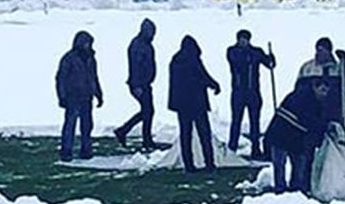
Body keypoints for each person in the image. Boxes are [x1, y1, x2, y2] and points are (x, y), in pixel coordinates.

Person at [264, 75, 331, 194]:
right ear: (315, 87)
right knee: (280, 165)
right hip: (279, 134)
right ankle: (281, 191)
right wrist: (322, 130)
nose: (324, 94)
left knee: (299, 165)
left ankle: (296, 190)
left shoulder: (317, 102)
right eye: (322, 90)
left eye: (326, 91)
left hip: (296, 138)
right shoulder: (301, 98)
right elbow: (309, 121)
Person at [167, 35, 221, 172]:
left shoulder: (176, 61)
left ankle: (189, 164)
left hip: (182, 105)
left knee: (186, 135)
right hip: (197, 104)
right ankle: (209, 162)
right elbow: (202, 76)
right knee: (204, 134)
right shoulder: (193, 60)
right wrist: (214, 84)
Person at [226, 29, 276, 160]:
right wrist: (256, 56)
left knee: (255, 121)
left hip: (253, 92)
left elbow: (269, 64)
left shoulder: (255, 52)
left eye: (245, 39)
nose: (243, 42)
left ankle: (255, 148)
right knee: (236, 120)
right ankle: (232, 147)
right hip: (238, 92)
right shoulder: (232, 51)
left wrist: (271, 58)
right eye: (241, 39)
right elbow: (237, 60)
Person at [55, 31, 104, 162]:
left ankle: (86, 150)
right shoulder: (69, 59)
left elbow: (94, 77)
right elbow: (61, 78)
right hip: (73, 97)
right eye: (86, 43)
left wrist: (98, 93)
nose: (88, 46)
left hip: (87, 97)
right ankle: (66, 151)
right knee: (70, 125)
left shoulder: (90, 59)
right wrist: (62, 96)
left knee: (87, 125)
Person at [114, 18, 159, 150]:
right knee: (148, 111)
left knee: (147, 111)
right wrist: (137, 85)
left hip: (144, 83)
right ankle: (144, 138)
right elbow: (136, 66)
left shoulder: (145, 44)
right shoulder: (138, 45)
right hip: (139, 84)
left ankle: (126, 131)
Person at [298, 37, 345, 123]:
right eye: (318, 49)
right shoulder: (307, 68)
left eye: (324, 50)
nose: (320, 53)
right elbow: (298, 89)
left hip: (333, 113)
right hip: (310, 112)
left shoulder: (339, 68)